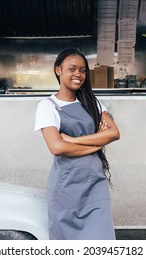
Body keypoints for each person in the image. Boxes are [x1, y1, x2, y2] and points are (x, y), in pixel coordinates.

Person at [34, 49, 120, 240]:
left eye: (82, 70)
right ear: (58, 70)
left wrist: (72, 140)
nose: (78, 74)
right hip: (67, 189)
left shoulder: (92, 102)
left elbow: (114, 133)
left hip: (95, 184)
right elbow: (57, 147)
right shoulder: (47, 106)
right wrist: (98, 140)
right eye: (72, 69)